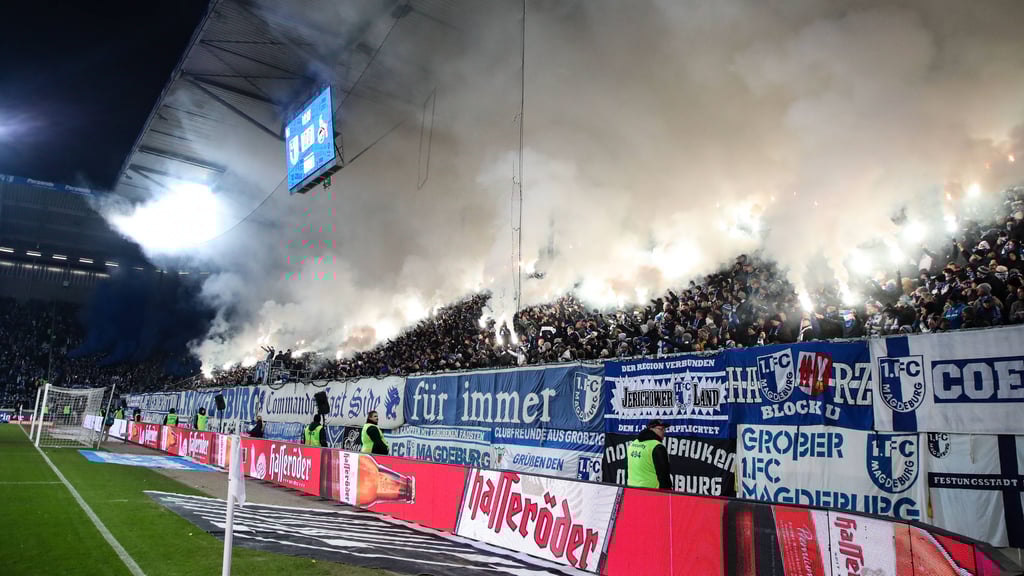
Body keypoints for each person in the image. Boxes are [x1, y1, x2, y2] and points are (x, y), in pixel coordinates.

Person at [626, 419, 671, 490]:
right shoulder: (657, 447)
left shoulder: (633, 443)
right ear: (651, 429)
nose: (663, 432)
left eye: (664, 429)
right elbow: (664, 475)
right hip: (651, 491)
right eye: (660, 429)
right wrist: (667, 492)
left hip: (632, 488)